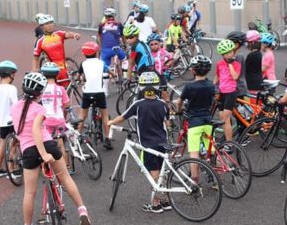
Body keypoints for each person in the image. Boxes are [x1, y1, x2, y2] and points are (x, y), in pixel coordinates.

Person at [11, 72, 91, 225]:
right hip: (46, 146)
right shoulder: (39, 109)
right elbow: (36, 130)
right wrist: (44, 153)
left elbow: (20, 130)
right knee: (65, 178)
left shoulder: (15, 107)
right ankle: (82, 210)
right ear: (40, 93)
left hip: (28, 151)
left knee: (29, 192)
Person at [108, 72, 171, 214]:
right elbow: (167, 123)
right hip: (162, 142)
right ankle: (166, 201)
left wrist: (110, 122)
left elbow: (123, 117)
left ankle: (155, 204)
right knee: (162, 171)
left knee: (153, 172)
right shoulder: (162, 104)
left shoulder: (138, 105)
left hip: (148, 144)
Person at [175, 55, 215, 164]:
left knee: (194, 154)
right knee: (212, 151)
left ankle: (195, 175)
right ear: (208, 71)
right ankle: (219, 172)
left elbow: (179, 102)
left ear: (192, 70)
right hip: (208, 120)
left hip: (194, 122)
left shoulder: (189, 87)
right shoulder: (211, 85)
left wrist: (179, 110)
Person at [78, 41, 112, 150]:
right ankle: (107, 139)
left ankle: (77, 137)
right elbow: (109, 71)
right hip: (99, 93)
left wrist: (80, 79)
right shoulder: (101, 63)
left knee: (82, 116)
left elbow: (79, 76)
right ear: (96, 52)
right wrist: (114, 75)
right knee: (105, 115)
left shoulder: (83, 64)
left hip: (87, 93)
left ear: (84, 53)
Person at [32, 14, 80, 88]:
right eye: (47, 24)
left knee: (66, 92)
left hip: (63, 70)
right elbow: (36, 58)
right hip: (51, 72)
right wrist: (35, 71)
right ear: (42, 26)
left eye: (51, 23)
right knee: (53, 92)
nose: (50, 25)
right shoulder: (40, 41)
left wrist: (74, 35)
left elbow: (67, 34)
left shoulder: (59, 34)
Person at [40, 62, 71, 163]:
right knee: (61, 145)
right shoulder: (60, 89)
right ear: (56, 75)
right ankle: (66, 166)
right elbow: (67, 103)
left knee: (46, 143)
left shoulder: (41, 90)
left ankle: (47, 166)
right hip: (59, 119)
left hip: (46, 121)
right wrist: (62, 110)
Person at [0, 60, 18, 178]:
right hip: (12, 120)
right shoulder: (12, 88)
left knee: (2, 143)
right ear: (10, 74)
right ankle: (12, 170)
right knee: (13, 144)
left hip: (2, 121)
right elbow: (16, 104)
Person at [213, 39, 241, 145]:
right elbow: (217, 76)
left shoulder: (237, 64)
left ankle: (229, 144)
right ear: (222, 54)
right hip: (221, 93)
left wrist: (230, 64)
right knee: (221, 118)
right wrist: (213, 86)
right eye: (227, 53)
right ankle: (226, 140)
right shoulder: (219, 64)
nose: (230, 54)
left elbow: (235, 77)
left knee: (226, 118)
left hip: (231, 93)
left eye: (231, 52)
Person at [97, 7, 126, 75]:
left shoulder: (101, 25)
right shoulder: (118, 24)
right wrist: (125, 45)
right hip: (117, 49)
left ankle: (106, 79)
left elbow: (99, 37)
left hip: (105, 51)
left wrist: (101, 47)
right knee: (124, 58)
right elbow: (123, 36)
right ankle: (124, 74)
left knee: (105, 68)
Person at [147, 33, 172, 102]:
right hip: (152, 76)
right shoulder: (148, 53)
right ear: (149, 45)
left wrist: (167, 65)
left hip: (161, 75)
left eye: (156, 44)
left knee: (164, 93)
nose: (154, 46)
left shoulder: (163, 51)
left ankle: (168, 106)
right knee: (153, 93)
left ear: (159, 43)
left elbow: (171, 58)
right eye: (151, 45)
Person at [226, 31, 248, 98]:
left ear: (236, 45)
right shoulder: (234, 55)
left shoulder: (237, 57)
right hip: (237, 87)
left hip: (237, 89)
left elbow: (235, 76)